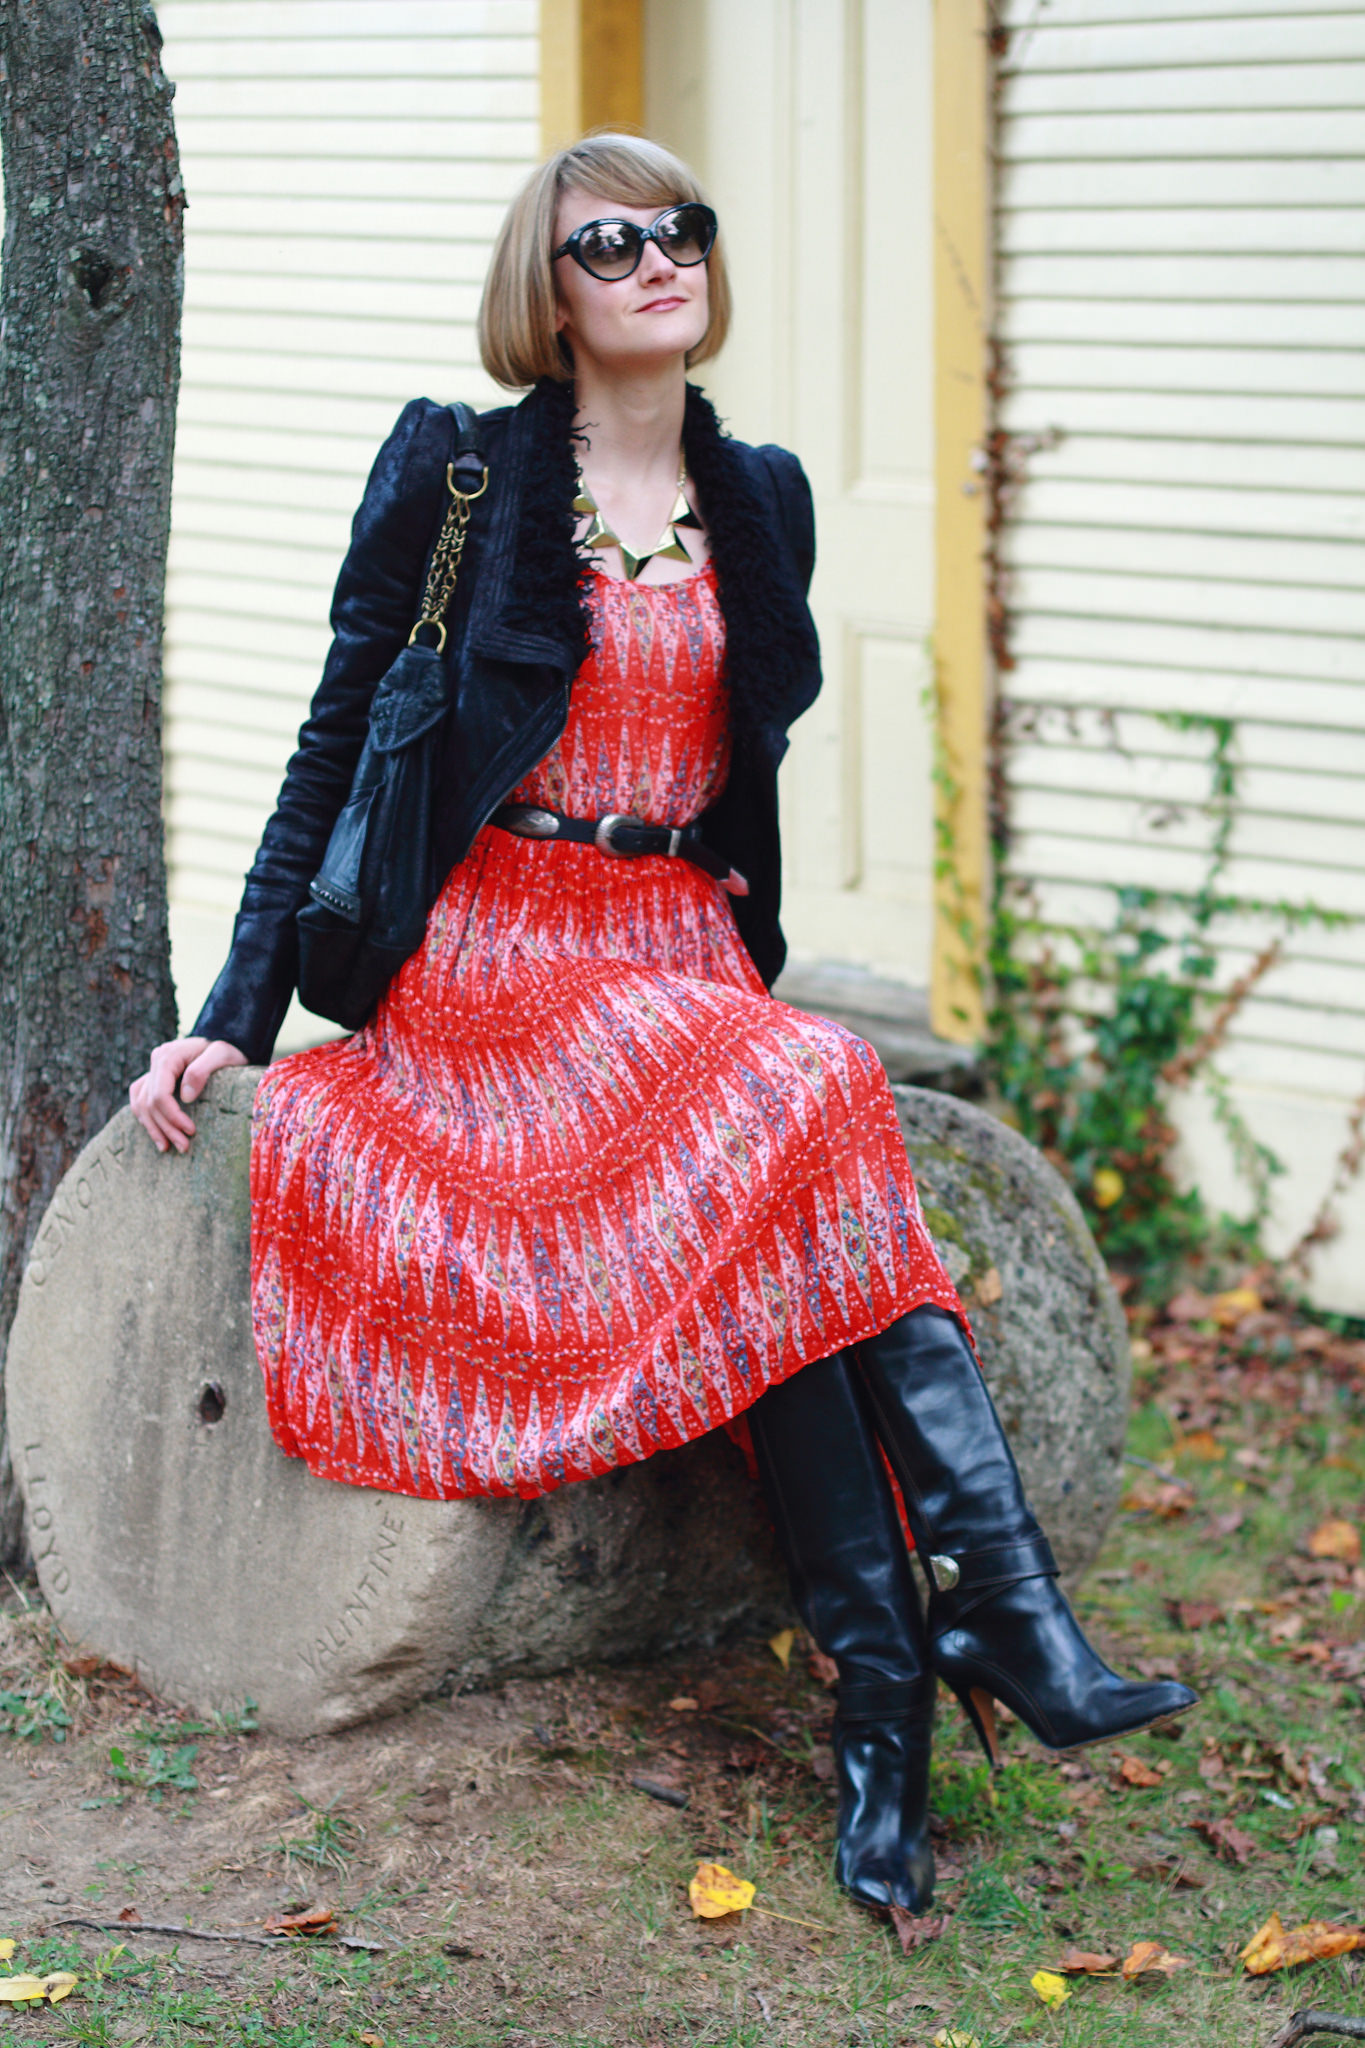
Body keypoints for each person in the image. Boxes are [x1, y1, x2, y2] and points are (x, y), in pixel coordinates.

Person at [130, 134, 1193, 1919]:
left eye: (674, 229)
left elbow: (740, 777)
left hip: (678, 945)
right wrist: (233, 1011)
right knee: (814, 1079)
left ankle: (890, 1715)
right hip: (502, 953)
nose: (650, 260)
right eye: (603, 241)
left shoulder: (757, 492)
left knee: (774, 1177)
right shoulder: (458, 475)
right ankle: (996, 1623)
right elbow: (338, 738)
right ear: (545, 294)